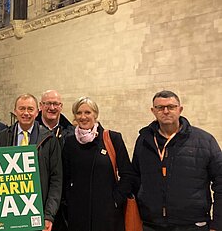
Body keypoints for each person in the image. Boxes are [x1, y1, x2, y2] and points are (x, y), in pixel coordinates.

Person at [132, 90, 222, 231]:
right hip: (151, 224)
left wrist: (218, 224)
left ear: (180, 109)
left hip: (192, 225)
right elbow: (135, 179)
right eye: (160, 108)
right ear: (153, 111)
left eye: (171, 107)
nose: (166, 111)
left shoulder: (204, 141)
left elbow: (220, 183)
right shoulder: (144, 140)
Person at [62, 97, 135, 231]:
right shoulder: (70, 143)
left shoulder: (112, 138)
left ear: (95, 114)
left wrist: (115, 200)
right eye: (79, 113)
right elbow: (66, 177)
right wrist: (71, 201)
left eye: (88, 112)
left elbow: (127, 174)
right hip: (79, 216)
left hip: (108, 216)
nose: (83, 117)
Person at [0, 94, 62, 231]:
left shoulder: (49, 139)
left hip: (37, 213)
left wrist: (49, 215)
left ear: (37, 112)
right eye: (22, 109)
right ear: (15, 111)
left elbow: (56, 180)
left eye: (30, 109)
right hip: (8, 214)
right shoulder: (1, 138)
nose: (26, 113)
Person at [35, 90, 74, 230]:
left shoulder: (71, 133)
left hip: (64, 204)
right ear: (40, 106)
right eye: (48, 104)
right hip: (39, 200)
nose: (52, 107)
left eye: (56, 104)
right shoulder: (31, 133)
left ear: (61, 106)